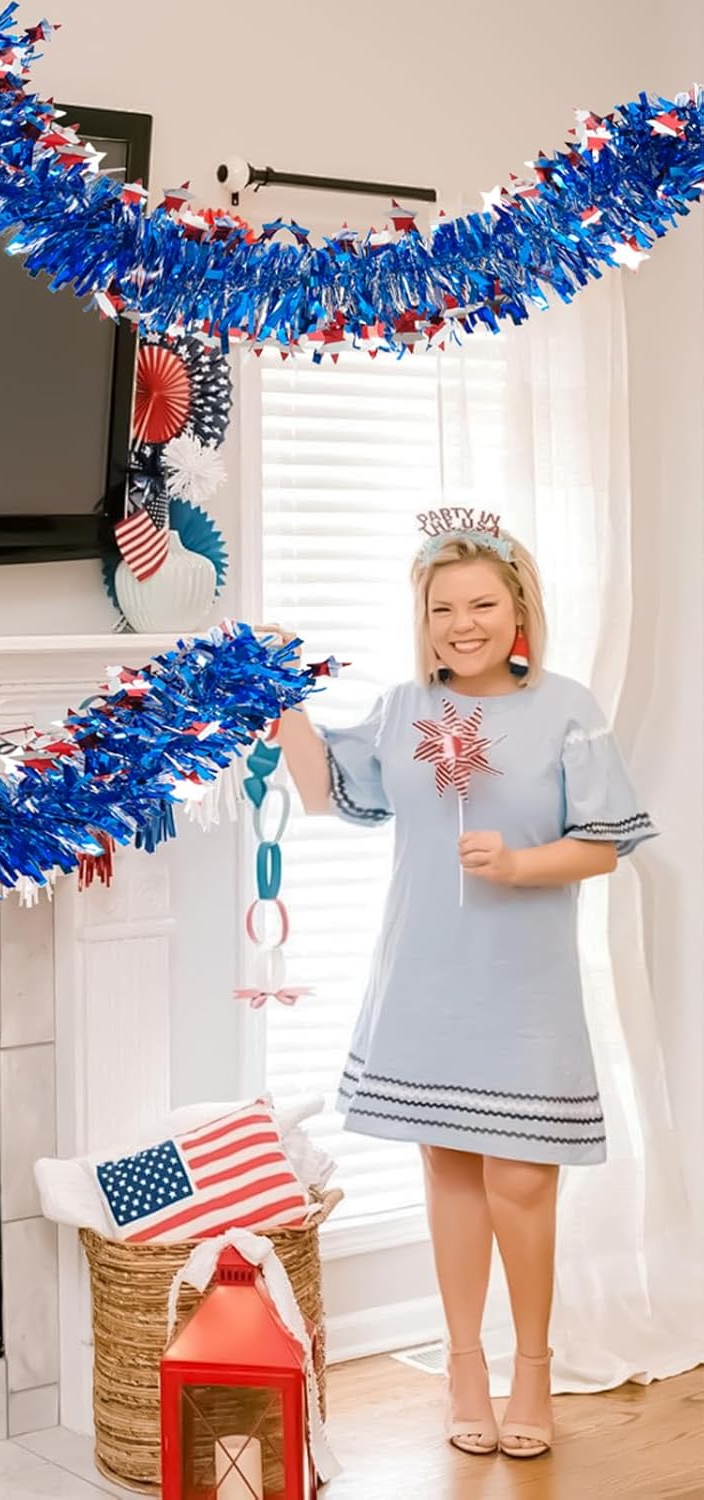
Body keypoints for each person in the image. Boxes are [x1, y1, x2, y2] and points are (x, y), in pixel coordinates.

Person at [268, 520, 656, 1461]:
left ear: (518, 608)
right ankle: (463, 1366)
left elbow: (604, 841)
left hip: (524, 987)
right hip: (424, 979)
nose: (461, 624)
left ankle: (532, 1366)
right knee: (447, 1167)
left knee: (522, 1179)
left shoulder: (568, 707)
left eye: (481, 604)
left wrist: (521, 865)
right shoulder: (404, 707)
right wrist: (279, 712)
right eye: (443, 609)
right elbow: (331, 794)